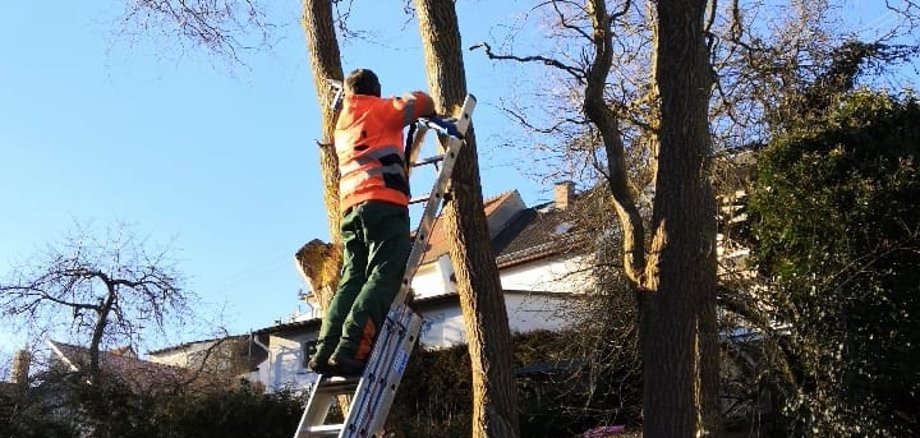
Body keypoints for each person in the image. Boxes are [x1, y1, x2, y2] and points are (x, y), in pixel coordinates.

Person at [308, 68, 435, 377]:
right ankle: (353, 348)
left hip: (351, 209)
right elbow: (423, 102)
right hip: (384, 204)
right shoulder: (380, 109)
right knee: (385, 272)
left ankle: (326, 350)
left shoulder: (342, 124)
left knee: (353, 277)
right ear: (375, 91)